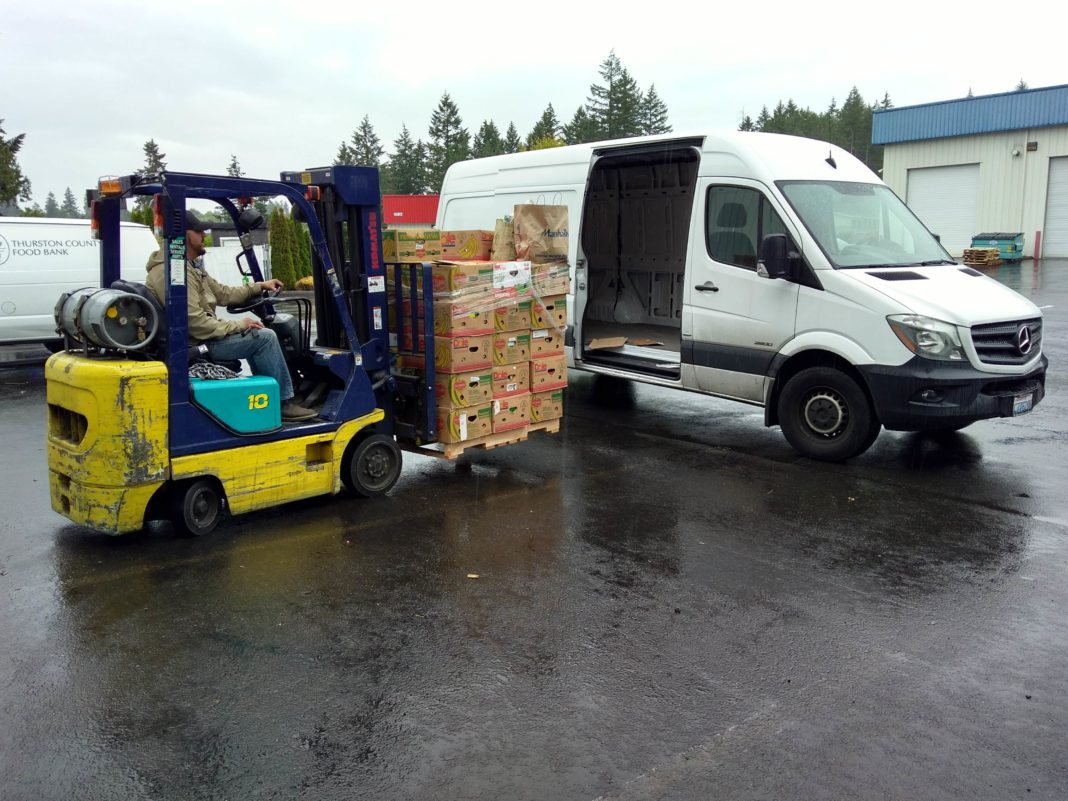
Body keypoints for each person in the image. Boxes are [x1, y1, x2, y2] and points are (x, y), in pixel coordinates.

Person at [145, 210, 318, 422]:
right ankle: (281, 403)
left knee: (256, 331)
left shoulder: (188, 267)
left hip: (202, 336)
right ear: (186, 235)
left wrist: (259, 287)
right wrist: (239, 325)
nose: (204, 236)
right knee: (264, 338)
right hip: (196, 344)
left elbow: (223, 293)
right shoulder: (173, 271)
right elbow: (195, 322)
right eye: (200, 232)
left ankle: (267, 396)